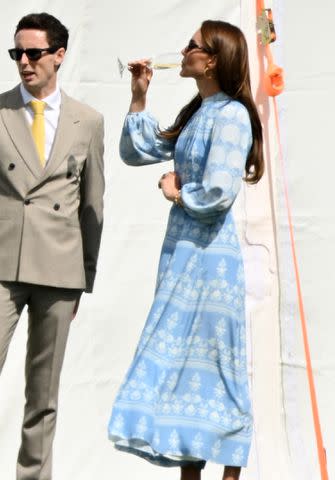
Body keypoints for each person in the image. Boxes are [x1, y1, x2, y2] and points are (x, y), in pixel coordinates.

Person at [108, 20, 263, 480]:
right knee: (179, 364)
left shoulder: (232, 114)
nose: (183, 50)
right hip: (183, 253)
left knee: (216, 367)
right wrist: (139, 96)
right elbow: (140, 150)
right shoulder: (200, 112)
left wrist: (177, 191)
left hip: (211, 261)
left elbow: (219, 191)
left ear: (211, 59)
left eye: (191, 46)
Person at [0, 12, 104, 480]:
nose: (24, 62)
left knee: (43, 395)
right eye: (16, 52)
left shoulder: (88, 120)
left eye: (34, 53)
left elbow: (93, 205)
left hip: (60, 272)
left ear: (59, 56)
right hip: (2, 263)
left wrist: (85, 276)